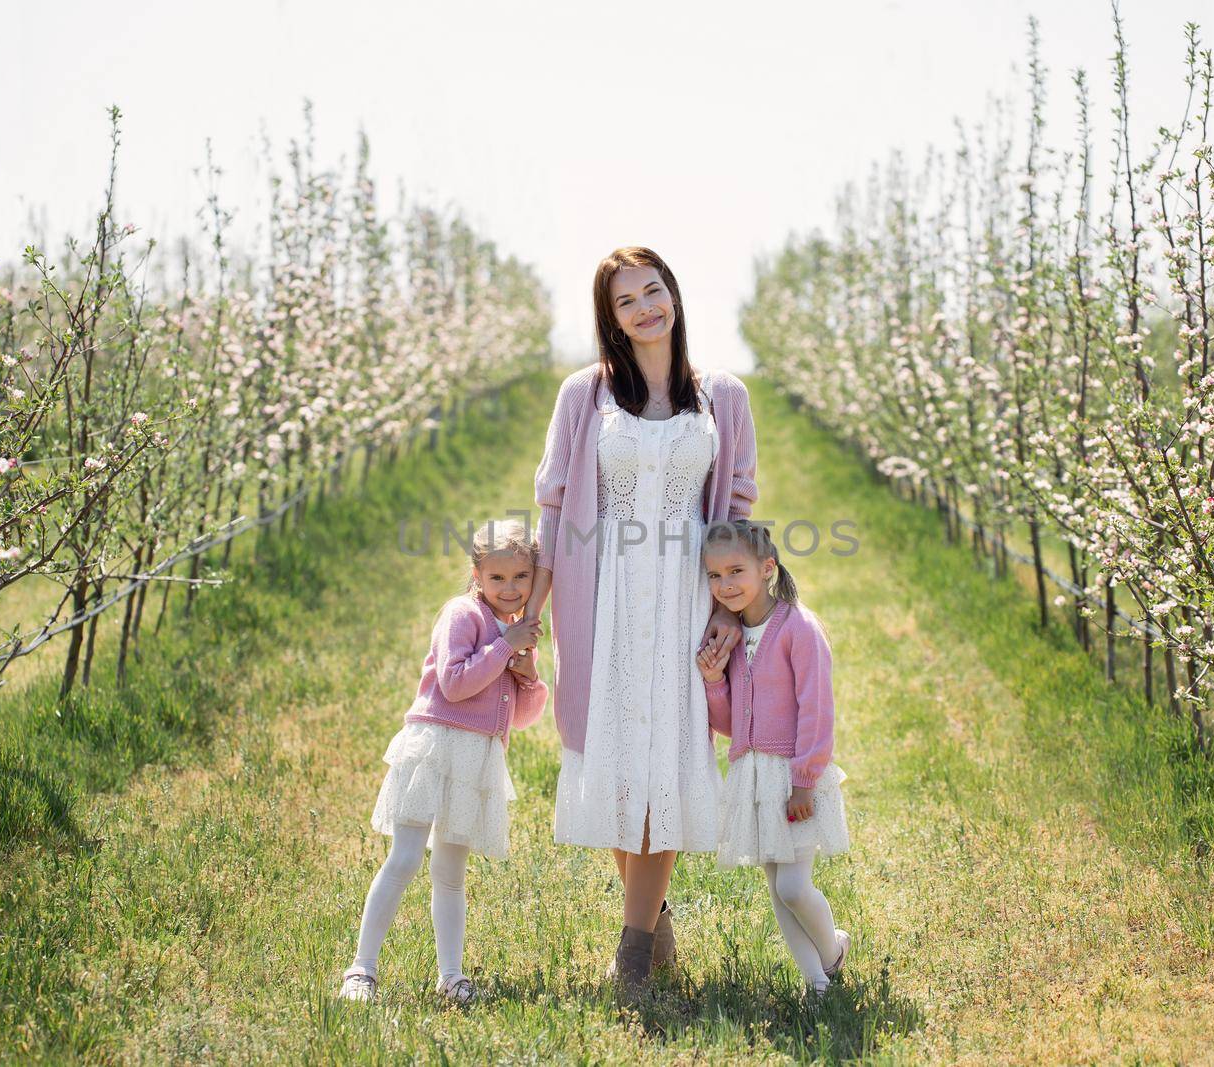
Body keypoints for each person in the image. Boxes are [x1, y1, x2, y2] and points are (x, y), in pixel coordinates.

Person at [527, 246, 759, 1001]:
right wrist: (527, 616)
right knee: (614, 763)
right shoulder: (583, 395)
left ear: (674, 295)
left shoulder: (722, 396)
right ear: (612, 319)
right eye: (626, 301)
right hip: (607, 598)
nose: (645, 308)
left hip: (689, 598)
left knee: (665, 756)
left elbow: (739, 512)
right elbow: (556, 505)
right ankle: (654, 920)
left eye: (653, 290)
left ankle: (630, 959)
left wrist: (730, 609)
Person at [337, 520, 548, 1005]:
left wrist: (529, 673)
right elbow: (454, 685)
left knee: (451, 874)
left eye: (521, 577)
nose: (510, 589)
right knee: (406, 858)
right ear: (477, 575)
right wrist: (504, 647)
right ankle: (361, 968)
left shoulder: (518, 632)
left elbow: (525, 716)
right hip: (434, 748)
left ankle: (450, 976)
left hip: (476, 759)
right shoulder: (462, 615)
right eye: (497, 579)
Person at [699, 519, 850, 994]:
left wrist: (805, 778)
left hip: (793, 774)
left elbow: (817, 709)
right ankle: (817, 985)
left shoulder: (798, 629)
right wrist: (713, 681)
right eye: (714, 576)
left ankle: (834, 950)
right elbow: (731, 726)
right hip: (753, 776)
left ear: (767, 568)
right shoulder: (733, 637)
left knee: (793, 887)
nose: (725, 585)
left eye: (735, 571)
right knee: (777, 892)